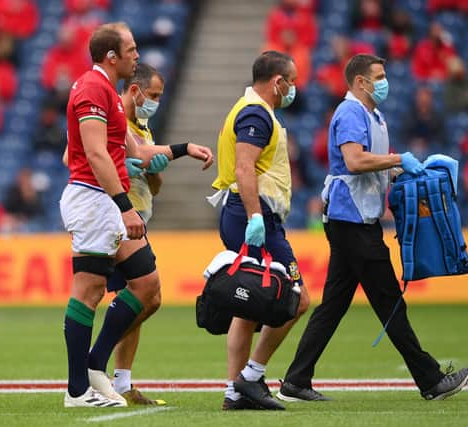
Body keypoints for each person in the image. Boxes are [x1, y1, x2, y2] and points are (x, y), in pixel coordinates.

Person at [278, 53, 468, 402]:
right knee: (388, 299)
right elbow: (353, 160)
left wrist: (398, 171)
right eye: (378, 76)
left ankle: (296, 380)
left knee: (335, 303)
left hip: (355, 217)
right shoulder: (351, 112)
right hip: (351, 219)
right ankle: (430, 380)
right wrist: (398, 159)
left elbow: (368, 162)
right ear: (361, 82)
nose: (385, 82)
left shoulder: (373, 115)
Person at [60, 22, 210, 409]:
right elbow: (93, 155)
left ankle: (95, 365)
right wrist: (125, 207)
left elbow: (140, 151)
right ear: (111, 56)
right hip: (94, 200)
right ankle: (78, 391)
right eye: (131, 50)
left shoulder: (105, 91)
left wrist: (184, 148)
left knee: (146, 285)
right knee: (89, 291)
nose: (137, 55)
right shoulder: (92, 89)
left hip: (105, 201)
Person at [210, 51, 310, 411]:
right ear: (277, 82)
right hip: (254, 215)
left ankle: (235, 392)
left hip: (247, 213)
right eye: (292, 81)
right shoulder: (256, 113)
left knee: (249, 305)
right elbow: (244, 168)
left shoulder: (248, 108)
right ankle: (250, 378)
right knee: (295, 298)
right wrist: (255, 217)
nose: (294, 89)